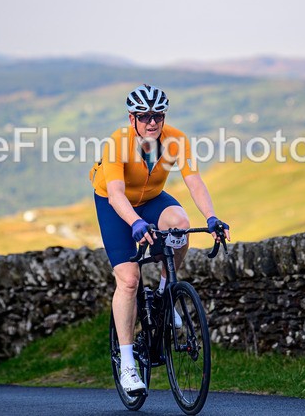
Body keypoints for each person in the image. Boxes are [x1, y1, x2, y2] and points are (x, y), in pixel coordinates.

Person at [90, 83, 230, 395]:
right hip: (115, 204)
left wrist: (211, 217)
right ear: (132, 118)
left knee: (180, 224)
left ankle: (166, 290)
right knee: (129, 279)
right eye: (145, 116)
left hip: (152, 198)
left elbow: (193, 180)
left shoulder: (176, 140)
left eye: (158, 115)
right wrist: (136, 222)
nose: (152, 122)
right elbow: (115, 194)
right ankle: (128, 365)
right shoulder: (116, 144)